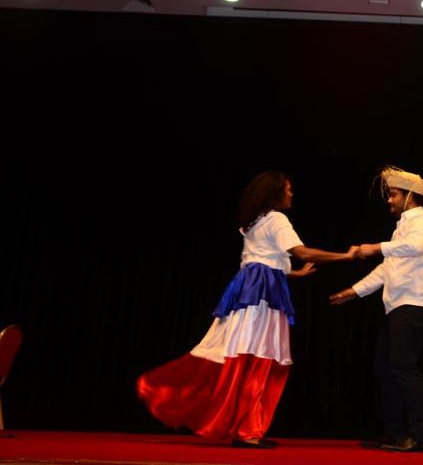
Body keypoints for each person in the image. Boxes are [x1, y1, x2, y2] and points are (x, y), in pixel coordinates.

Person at [137, 170, 360, 449]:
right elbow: (301, 252)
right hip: (261, 295)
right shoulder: (277, 219)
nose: (291, 194)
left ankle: (246, 427)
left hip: (252, 291)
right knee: (259, 356)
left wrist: (294, 275)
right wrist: (345, 256)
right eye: (288, 189)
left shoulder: (255, 221)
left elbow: (258, 262)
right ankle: (246, 430)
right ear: (275, 193)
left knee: (250, 354)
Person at [330, 166, 423, 453]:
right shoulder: (400, 231)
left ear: (408, 196)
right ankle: (394, 433)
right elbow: (387, 269)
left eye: (393, 194)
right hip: (401, 306)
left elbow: (414, 247)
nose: (389, 200)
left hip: (416, 303)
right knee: (385, 367)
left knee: (403, 366)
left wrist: (375, 247)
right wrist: (353, 292)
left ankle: (420, 436)